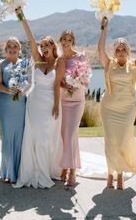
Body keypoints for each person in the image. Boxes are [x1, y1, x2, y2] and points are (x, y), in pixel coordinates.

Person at [98, 17, 136, 190]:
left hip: (127, 109)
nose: (121, 51)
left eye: (124, 49)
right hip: (109, 108)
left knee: (122, 141)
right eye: (118, 49)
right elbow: (100, 48)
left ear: (128, 51)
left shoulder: (135, 64)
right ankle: (110, 174)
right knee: (110, 141)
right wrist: (104, 30)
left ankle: (120, 174)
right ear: (114, 52)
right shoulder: (108, 64)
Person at [14, 8, 65, 188]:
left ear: (53, 46)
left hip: (50, 103)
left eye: (46, 45)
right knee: (35, 136)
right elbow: (29, 38)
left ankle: (46, 171)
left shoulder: (59, 63)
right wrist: (21, 17)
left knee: (46, 137)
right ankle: (34, 171)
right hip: (34, 103)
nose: (43, 49)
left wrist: (57, 106)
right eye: (41, 45)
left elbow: (57, 84)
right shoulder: (37, 58)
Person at [0, 37, 31, 184]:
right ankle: (7, 172)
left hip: (20, 103)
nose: (12, 48)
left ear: (19, 49)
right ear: (5, 49)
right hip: (5, 104)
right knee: (7, 137)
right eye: (9, 46)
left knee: (19, 137)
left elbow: (29, 82)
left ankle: (17, 171)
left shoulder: (25, 63)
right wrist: (8, 90)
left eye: (15, 46)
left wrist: (22, 90)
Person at [59, 30, 90, 186]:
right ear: (60, 41)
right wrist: (64, 85)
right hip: (63, 100)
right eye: (64, 39)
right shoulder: (59, 59)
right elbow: (56, 80)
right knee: (65, 135)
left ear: (73, 41)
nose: (66, 42)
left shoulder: (80, 56)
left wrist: (77, 83)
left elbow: (86, 78)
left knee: (70, 133)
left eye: (69, 39)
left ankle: (72, 171)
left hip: (77, 100)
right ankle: (66, 166)